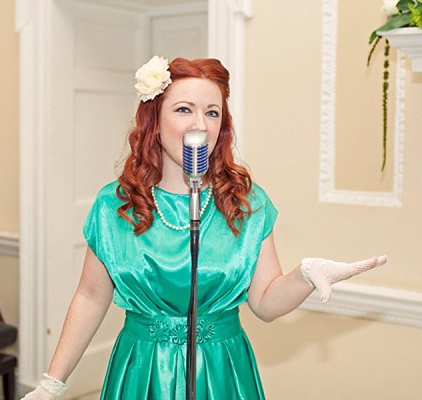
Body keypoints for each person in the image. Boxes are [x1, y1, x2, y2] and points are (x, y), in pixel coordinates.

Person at [22, 56, 387, 400]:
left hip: (220, 371)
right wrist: (51, 386)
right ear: (154, 120)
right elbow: (90, 298)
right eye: (184, 110)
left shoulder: (245, 201)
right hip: (143, 369)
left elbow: (264, 303)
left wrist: (305, 275)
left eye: (212, 113)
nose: (200, 125)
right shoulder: (114, 205)